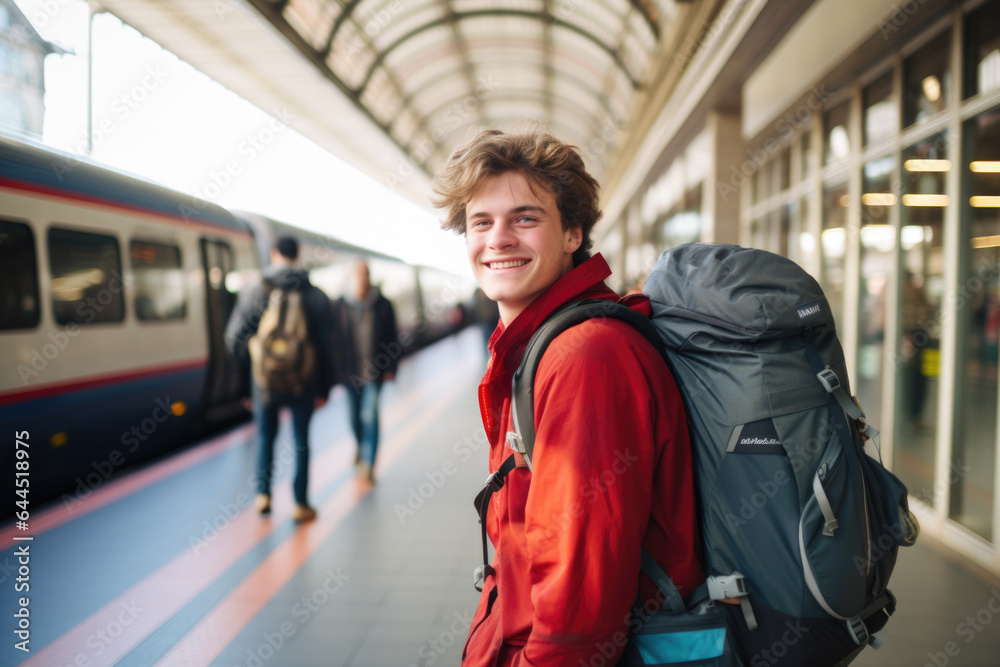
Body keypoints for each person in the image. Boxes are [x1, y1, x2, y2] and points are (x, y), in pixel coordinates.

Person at [430, 129, 703, 666]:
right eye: (481, 222)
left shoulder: (584, 356)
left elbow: (581, 603)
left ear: (573, 232)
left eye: (525, 218)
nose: (499, 239)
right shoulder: (542, 344)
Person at [224, 236, 336, 523]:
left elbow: (234, 337)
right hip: (304, 380)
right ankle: (300, 503)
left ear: (274, 255)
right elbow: (327, 346)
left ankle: (263, 495)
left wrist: (248, 377)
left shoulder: (255, 289)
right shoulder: (314, 294)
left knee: (265, 436)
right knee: (301, 441)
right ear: (297, 256)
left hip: (264, 383)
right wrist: (324, 388)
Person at [333, 260, 399, 484]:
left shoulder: (383, 304)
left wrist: (391, 367)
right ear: (352, 277)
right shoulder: (340, 305)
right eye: (358, 274)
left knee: (369, 415)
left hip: (375, 372)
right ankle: (361, 446)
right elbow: (334, 342)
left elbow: (393, 337)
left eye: (365, 274)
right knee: (354, 418)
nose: (362, 278)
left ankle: (369, 463)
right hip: (349, 374)